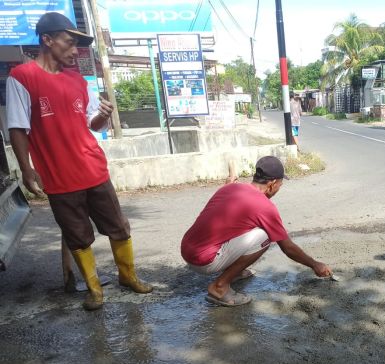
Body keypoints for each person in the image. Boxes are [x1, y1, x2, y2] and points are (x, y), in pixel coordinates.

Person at [7, 12, 152, 311]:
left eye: (77, 45)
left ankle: (128, 276)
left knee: (119, 227)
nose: (75, 51)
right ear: (47, 40)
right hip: (58, 178)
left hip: (94, 169)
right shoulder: (22, 78)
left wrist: (103, 115)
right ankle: (95, 289)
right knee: (78, 236)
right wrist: (27, 169)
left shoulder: (78, 80)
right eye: (69, 43)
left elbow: (92, 125)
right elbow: (18, 128)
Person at [181, 156, 332, 306]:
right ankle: (219, 287)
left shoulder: (231, 187)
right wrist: (315, 264)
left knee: (247, 225)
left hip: (188, 250)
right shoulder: (264, 206)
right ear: (272, 183)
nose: (279, 188)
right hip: (203, 261)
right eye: (280, 184)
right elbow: (287, 248)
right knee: (264, 236)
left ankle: (235, 272)